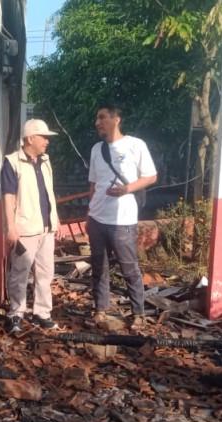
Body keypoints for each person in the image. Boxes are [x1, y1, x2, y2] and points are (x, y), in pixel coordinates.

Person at [87, 103, 157, 315]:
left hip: (123, 221)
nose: (97, 122)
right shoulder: (96, 149)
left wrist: (127, 189)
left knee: (129, 268)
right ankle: (101, 310)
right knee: (99, 267)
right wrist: (89, 214)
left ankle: (138, 314)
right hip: (97, 218)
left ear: (116, 119)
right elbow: (93, 184)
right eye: (97, 119)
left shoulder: (135, 145)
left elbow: (151, 176)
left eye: (102, 117)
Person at [2, 119, 63, 333]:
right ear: (30, 139)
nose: (47, 141)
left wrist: (56, 219)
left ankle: (42, 313)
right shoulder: (12, 162)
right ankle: (16, 314)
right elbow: (8, 197)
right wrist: (11, 227)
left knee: (45, 273)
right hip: (25, 229)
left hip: (46, 228)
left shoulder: (45, 161)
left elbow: (49, 192)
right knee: (20, 273)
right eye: (43, 137)